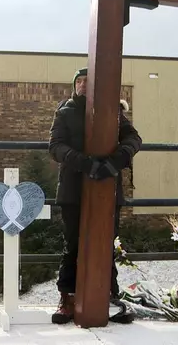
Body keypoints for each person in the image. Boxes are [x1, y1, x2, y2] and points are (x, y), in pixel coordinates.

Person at [48, 67, 142, 325]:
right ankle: (67, 298)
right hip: (72, 189)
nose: (82, 85)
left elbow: (133, 139)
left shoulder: (114, 112)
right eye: (78, 81)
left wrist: (114, 163)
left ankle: (109, 297)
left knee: (106, 243)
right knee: (73, 244)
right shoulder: (64, 112)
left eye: (88, 81)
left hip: (107, 188)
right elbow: (55, 147)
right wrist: (85, 163)